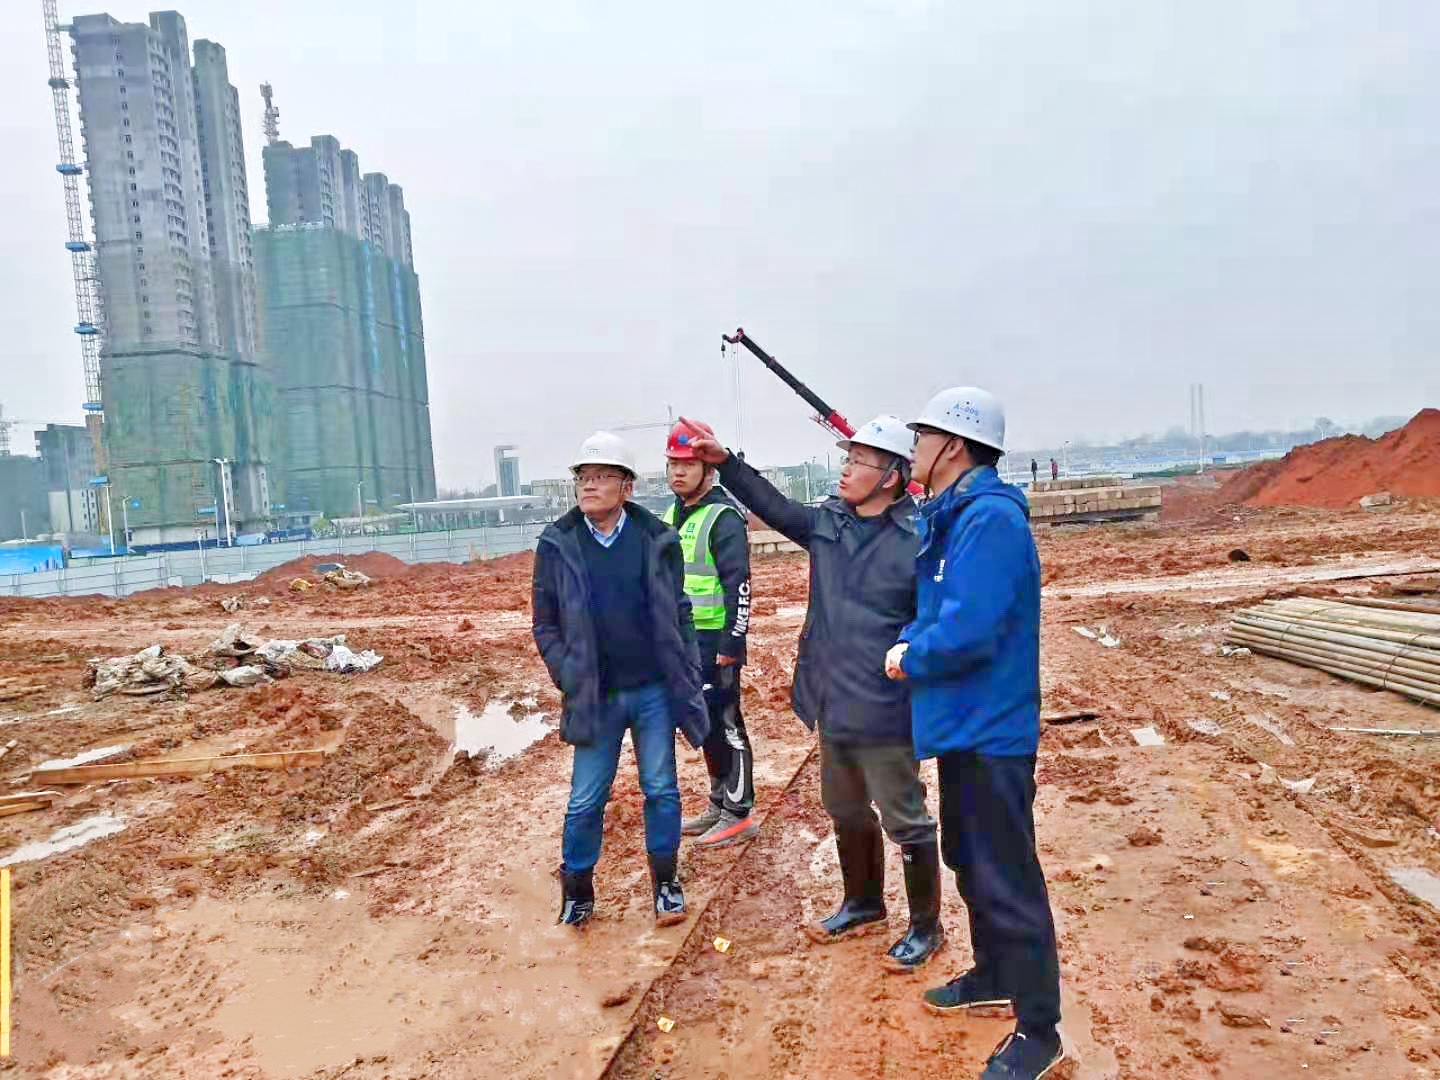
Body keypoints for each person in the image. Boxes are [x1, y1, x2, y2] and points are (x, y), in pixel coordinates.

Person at [684, 414, 946, 973]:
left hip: (886, 703)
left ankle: (926, 926)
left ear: (892, 477)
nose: (845, 470)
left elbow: (935, 618)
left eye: (859, 462)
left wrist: (911, 654)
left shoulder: (917, 539)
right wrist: (725, 462)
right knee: (844, 807)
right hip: (832, 697)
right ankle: (863, 903)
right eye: (847, 459)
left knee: (905, 818)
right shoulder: (829, 525)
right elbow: (775, 507)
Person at [885, 388, 1063, 1080]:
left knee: (1008, 874)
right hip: (962, 724)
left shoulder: (990, 520)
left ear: (953, 446)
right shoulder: (952, 515)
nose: (914, 450)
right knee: (968, 856)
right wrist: (910, 636)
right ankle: (994, 974)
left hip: (993, 730)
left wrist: (912, 657)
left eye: (922, 437)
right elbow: (936, 607)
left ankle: (1040, 1030)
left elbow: (970, 628)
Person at [532, 431, 709, 929]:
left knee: (661, 788)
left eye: (601, 477)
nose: (589, 486)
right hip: (595, 694)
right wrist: (568, 672)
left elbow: (680, 611)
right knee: (586, 799)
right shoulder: (558, 544)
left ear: (626, 487)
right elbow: (544, 623)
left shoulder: (656, 540)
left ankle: (666, 884)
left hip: (653, 691)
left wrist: (687, 671)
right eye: (583, 478)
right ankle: (578, 891)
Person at [663, 419, 758, 849]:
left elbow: (740, 585)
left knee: (726, 722)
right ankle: (719, 803)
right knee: (703, 723)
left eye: (688, 463)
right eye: (673, 463)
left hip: (715, 641)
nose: (678, 472)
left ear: (708, 468)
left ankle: (738, 812)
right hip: (684, 642)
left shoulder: (723, 518)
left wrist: (732, 644)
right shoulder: (672, 515)